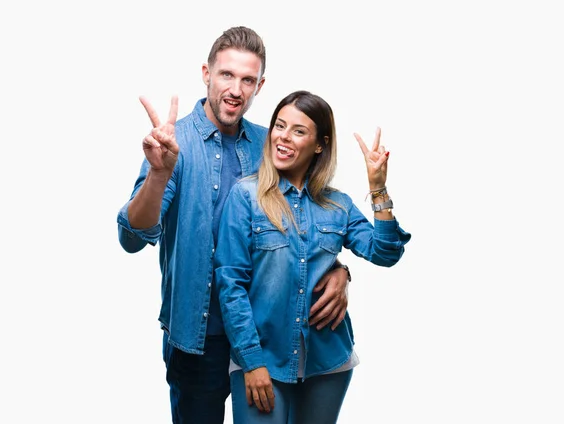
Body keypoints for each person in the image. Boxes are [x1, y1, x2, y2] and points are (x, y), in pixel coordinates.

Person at [116, 27, 351, 424]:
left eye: (247, 80)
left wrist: (341, 271)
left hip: (264, 340)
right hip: (197, 338)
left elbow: (315, 222)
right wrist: (159, 175)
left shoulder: (270, 144)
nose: (236, 89)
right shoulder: (175, 143)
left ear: (260, 85)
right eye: (226, 75)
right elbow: (132, 237)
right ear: (206, 73)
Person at [214, 90, 412, 423]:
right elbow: (230, 284)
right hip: (263, 360)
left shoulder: (337, 205)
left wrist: (378, 188)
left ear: (319, 144)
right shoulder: (246, 197)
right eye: (279, 125)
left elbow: (384, 252)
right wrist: (251, 361)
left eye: (298, 131)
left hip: (327, 363)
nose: (283, 137)